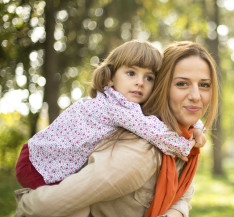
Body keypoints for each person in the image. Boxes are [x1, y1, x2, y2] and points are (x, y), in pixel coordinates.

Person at [14, 41, 219, 217]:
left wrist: (176, 211)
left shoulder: (175, 129)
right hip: (38, 162)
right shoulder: (141, 147)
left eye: (205, 85)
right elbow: (46, 205)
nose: (196, 96)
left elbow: (183, 192)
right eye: (182, 84)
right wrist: (185, 144)